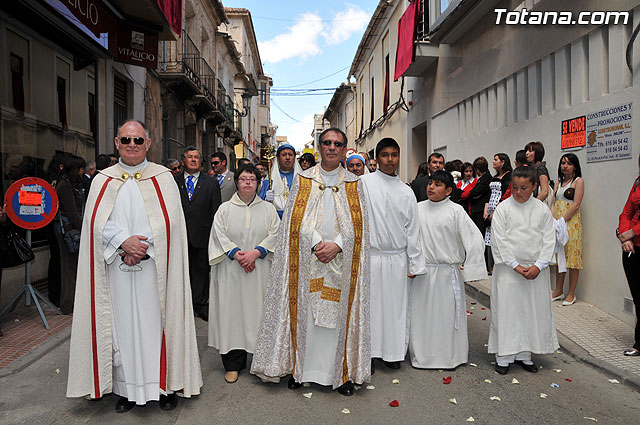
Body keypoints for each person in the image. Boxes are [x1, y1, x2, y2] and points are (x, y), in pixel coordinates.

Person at [67, 120, 202, 412]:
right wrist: (121, 243)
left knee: (158, 327)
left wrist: (142, 248)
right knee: (121, 328)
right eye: (126, 140)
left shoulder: (164, 178)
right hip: (116, 270)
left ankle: (163, 386)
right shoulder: (102, 179)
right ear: (116, 143)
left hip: (156, 271)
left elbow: (172, 224)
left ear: (148, 144)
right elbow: (95, 222)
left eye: (138, 140)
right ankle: (126, 391)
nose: (132, 145)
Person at [251, 127, 370, 396]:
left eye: (337, 144)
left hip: (341, 262)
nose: (331, 148)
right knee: (305, 317)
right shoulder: (303, 181)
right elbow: (294, 222)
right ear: (319, 147)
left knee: (338, 319)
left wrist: (338, 244)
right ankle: (300, 370)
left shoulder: (354, 183)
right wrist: (317, 242)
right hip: (308, 261)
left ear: (344, 149)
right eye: (326, 143)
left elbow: (360, 225)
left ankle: (340, 374)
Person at [208, 164, 280, 384]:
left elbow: (276, 233)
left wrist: (257, 253)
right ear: (236, 182)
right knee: (232, 315)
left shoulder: (268, 209)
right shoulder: (224, 210)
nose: (248, 182)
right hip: (231, 271)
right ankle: (233, 364)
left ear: (258, 183)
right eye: (243, 179)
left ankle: (262, 364)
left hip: (260, 271)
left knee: (259, 313)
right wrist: (237, 254)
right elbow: (218, 235)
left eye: (252, 179)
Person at [410, 171, 486, 369]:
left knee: (446, 316)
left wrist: (472, 270)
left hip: (446, 273)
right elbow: (408, 238)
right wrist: (410, 264)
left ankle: (450, 356)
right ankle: (423, 355)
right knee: (422, 316)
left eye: (437, 185)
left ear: (448, 190)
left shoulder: (456, 211)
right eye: (430, 183)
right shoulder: (417, 209)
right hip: (423, 272)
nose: (431, 187)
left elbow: (474, 238)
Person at [361, 138, 425, 371]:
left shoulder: (406, 192)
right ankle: (367, 353)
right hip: (371, 257)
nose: (390, 160)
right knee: (370, 308)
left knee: (396, 309)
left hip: (398, 259)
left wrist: (415, 264)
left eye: (394, 155)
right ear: (376, 158)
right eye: (385, 155)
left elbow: (413, 230)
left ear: (399, 157)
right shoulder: (363, 184)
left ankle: (393, 353)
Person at [488, 166, 558, 374]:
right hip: (509, 270)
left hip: (535, 270)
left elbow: (549, 239)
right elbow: (499, 240)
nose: (519, 193)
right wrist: (515, 265)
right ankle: (504, 356)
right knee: (508, 312)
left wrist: (539, 265)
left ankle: (525, 355)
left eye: (524, 188)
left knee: (530, 312)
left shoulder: (542, 210)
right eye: (515, 188)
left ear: (535, 187)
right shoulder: (503, 209)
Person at [175, 146, 222, 321]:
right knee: (181, 271)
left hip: (203, 235)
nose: (194, 159)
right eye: (190, 157)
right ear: (183, 161)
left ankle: (201, 305)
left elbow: (215, 210)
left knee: (201, 272)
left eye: (196, 157)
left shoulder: (210, 182)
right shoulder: (174, 181)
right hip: (179, 236)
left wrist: (214, 236)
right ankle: (182, 306)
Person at [551, 154, 584, 306]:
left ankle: (571, 293)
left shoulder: (579, 182)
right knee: (559, 256)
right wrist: (553, 219)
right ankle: (558, 290)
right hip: (557, 223)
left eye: (569, 163)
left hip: (571, 223)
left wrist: (563, 220)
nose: (565, 166)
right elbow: (553, 203)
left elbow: (576, 204)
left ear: (575, 166)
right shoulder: (558, 182)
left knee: (572, 258)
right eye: (563, 162)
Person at [56, 155, 86, 314]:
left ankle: (72, 303)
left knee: (73, 268)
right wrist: (87, 229)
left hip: (73, 231)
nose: (83, 171)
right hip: (68, 232)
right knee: (68, 269)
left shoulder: (71, 185)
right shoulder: (65, 186)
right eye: (81, 168)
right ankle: (67, 305)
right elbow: (73, 214)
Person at [618, 154, 640, 356]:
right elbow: (626, 211)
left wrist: (634, 231)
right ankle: (638, 342)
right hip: (632, 248)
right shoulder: (637, 182)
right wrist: (626, 236)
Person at [483, 153, 513, 274]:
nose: (493, 162)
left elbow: (507, 193)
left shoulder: (509, 176)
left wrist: (496, 210)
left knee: (499, 235)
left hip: (500, 208)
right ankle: (489, 266)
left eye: (496, 160)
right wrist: (486, 210)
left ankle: (498, 265)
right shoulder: (495, 177)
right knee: (489, 237)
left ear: (503, 161)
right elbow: (488, 194)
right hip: (490, 207)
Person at [265, 143, 302, 218]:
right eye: (284, 155)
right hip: (274, 219)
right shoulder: (270, 179)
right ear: (278, 159)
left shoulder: (301, 179)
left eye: (290, 155)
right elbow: (260, 205)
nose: (287, 157)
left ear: (294, 158)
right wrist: (265, 199)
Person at [468, 157, 492, 237]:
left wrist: (473, 194)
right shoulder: (482, 179)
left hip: (480, 210)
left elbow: (474, 192)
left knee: (480, 234)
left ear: (478, 169)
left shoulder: (486, 178)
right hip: (478, 209)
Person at [525, 141, 551, 205]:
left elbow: (545, 191)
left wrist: (533, 205)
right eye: (526, 151)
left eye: (530, 151)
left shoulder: (541, 168)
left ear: (537, 153)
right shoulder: (531, 168)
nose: (527, 153)